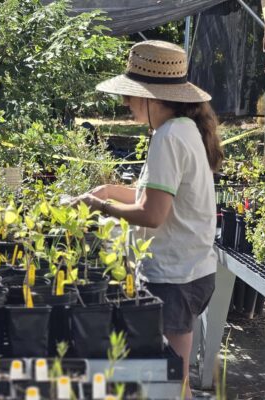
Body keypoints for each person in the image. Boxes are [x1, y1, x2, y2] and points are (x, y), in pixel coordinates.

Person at [71, 40, 223, 398]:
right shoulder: (182, 128)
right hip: (190, 271)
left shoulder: (168, 137)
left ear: (153, 97)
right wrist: (108, 191)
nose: (125, 103)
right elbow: (154, 197)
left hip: (174, 278)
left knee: (171, 384)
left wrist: (101, 209)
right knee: (174, 380)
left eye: (131, 95)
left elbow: (153, 214)